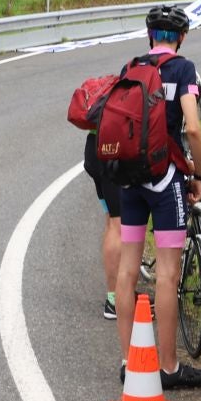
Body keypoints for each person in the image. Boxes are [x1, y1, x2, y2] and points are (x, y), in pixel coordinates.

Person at [114, 4, 201, 389]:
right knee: (168, 276)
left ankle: (129, 360)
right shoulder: (183, 70)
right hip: (164, 181)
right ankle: (169, 368)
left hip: (129, 181)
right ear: (182, 38)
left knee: (127, 270)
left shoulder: (131, 67)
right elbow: (193, 129)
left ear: (149, 36)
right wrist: (199, 174)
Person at [82, 131, 124, 319]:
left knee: (111, 220)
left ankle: (115, 295)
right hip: (114, 148)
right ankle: (115, 300)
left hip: (94, 146)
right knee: (118, 224)